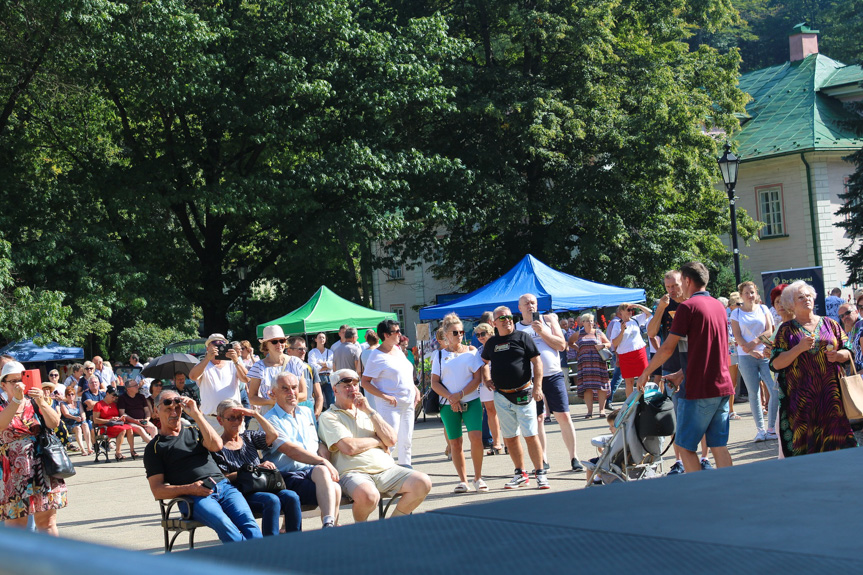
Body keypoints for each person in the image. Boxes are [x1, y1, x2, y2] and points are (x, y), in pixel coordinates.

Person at [637, 262, 735, 473]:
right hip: (722, 384)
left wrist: (646, 372)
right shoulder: (719, 305)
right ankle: (731, 492)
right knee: (718, 445)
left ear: (688, 281)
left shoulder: (687, 307)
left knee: (684, 446)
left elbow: (666, 349)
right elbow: (711, 348)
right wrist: (683, 372)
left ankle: (700, 494)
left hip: (700, 388)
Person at [144, 389, 263, 543]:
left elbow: (217, 445)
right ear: (156, 411)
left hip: (224, 487)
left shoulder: (194, 430)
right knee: (224, 523)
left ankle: (257, 560)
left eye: (178, 408)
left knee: (249, 523)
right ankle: (250, 560)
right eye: (168, 409)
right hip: (193, 497)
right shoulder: (155, 447)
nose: (174, 413)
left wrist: (196, 414)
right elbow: (157, 491)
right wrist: (190, 488)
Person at [318, 369, 432, 522]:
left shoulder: (368, 412)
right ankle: (362, 529)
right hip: (354, 472)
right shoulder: (329, 416)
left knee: (423, 482)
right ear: (334, 390)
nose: (352, 388)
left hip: (386, 469)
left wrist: (369, 410)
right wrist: (378, 441)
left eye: (355, 384)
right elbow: (349, 447)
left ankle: (391, 526)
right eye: (346, 385)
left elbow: (391, 440)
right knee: (369, 496)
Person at [770, 281, 857, 456]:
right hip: (802, 402)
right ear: (791, 304)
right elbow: (776, 364)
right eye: (800, 297)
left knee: (838, 447)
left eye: (808, 296)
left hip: (833, 399)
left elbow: (849, 351)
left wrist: (840, 355)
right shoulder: (786, 330)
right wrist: (798, 349)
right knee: (808, 449)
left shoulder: (829, 323)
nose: (806, 299)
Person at [480, 306, 548, 489]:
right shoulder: (491, 343)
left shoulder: (523, 337)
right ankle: (520, 473)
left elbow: (537, 361)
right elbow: (484, 363)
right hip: (502, 396)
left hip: (524, 393)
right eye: (502, 318)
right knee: (510, 437)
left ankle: (540, 473)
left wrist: (538, 387)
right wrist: (486, 378)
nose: (507, 320)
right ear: (494, 323)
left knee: (531, 435)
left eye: (509, 317)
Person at [212, 398, 302, 535]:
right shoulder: (218, 446)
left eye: (240, 417)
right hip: (241, 492)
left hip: (263, 485)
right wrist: (253, 470)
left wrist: (255, 414)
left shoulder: (248, 437)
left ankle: (295, 541)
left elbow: (273, 435)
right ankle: (270, 546)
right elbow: (223, 477)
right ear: (220, 420)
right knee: (271, 500)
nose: (236, 422)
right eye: (231, 418)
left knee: (292, 496)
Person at [262, 373, 341, 528]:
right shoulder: (270, 420)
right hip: (286, 478)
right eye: (285, 389)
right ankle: (330, 528)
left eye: (294, 387)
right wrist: (322, 461)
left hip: (311, 474)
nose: (291, 392)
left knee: (332, 481)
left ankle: (328, 526)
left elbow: (317, 442)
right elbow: (292, 451)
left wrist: (324, 453)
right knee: (330, 480)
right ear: (273, 393)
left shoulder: (306, 412)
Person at [514, 294, 582, 472]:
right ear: (519, 308)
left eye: (533, 303)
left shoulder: (548, 320)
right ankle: (542, 459)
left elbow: (561, 345)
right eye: (527, 303)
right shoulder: (516, 329)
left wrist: (542, 331)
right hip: (530, 379)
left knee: (564, 416)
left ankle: (574, 457)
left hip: (553, 374)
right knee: (538, 419)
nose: (531, 306)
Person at [0, 361, 67, 535]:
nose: (19, 384)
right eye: (13, 381)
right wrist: (16, 400)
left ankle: (52, 562)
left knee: (47, 523)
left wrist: (42, 402)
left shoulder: (36, 402)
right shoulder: (2, 405)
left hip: (41, 470)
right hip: (12, 475)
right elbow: (1, 424)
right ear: (3, 384)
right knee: (16, 527)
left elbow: (54, 424)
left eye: (21, 379)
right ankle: (17, 563)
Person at [430, 314, 486, 493]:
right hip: (447, 404)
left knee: (476, 438)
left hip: (471, 400)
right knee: (455, 443)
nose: (459, 335)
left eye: (462, 331)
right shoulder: (439, 355)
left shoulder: (472, 352)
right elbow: (435, 382)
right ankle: (463, 481)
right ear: (446, 334)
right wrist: (451, 397)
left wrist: (460, 394)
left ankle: (478, 478)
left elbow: (478, 378)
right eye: (455, 332)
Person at [361, 320, 419, 466]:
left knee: (406, 441)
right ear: (386, 335)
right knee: (389, 442)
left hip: (407, 403)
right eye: (396, 331)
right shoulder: (376, 356)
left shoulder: (398, 350)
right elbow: (365, 382)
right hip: (390, 406)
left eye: (399, 330)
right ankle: (386, 471)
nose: (400, 334)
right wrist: (384, 396)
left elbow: (405, 373)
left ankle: (406, 471)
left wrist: (415, 388)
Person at [730, 281, 777, 442]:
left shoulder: (763, 309)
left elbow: (770, 329)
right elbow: (737, 335)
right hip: (745, 356)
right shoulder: (736, 313)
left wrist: (755, 343)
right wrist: (749, 349)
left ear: (756, 293)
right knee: (754, 393)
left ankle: (772, 427)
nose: (750, 295)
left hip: (765, 354)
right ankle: (760, 429)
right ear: (741, 295)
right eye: (746, 293)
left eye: (752, 292)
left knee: (774, 389)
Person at [188, 333, 251, 423]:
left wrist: (236, 360)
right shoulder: (203, 365)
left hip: (234, 417)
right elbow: (193, 376)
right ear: (208, 348)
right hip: (212, 419)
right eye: (215, 344)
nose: (219, 347)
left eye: (222, 344)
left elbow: (246, 379)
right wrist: (207, 358)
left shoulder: (232, 363)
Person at [244, 327, 305, 416]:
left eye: (282, 340)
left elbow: (304, 394)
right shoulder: (259, 366)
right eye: (274, 342)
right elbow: (252, 398)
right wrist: (270, 401)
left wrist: (283, 400)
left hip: (293, 413)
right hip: (270, 413)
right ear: (265, 345)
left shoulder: (296, 362)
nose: (279, 344)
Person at [608, 302, 653, 398]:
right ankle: (631, 404)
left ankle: (643, 398)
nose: (630, 312)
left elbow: (650, 313)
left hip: (639, 352)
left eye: (631, 310)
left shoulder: (635, 319)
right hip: (625, 354)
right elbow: (615, 343)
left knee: (645, 377)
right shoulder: (617, 325)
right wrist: (622, 331)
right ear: (621, 311)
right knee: (629, 381)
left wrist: (638, 306)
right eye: (628, 310)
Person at [574, 313, 612, 418]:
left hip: (598, 362)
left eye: (591, 320)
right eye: (587, 321)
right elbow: (570, 342)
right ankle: (589, 411)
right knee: (587, 388)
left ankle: (602, 410)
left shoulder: (598, 332)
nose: (590, 323)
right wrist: (579, 350)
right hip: (585, 364)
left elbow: (609, 343)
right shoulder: (579, 333)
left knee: (601, 386)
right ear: (583, 322)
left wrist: (603, 345)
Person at [474, 322, 503, 455]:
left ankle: (508, 443)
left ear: (490, 333)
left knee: (504, 412)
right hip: (486, 385)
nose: (480, 337)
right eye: (478, 334)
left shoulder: (498, 345)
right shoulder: (479, 350)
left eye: (483, 334)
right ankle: (496, 443)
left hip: (501, 381)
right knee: (491, 412)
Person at [92, 386, 138, 460]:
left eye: (115, 397)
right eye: (113, 397)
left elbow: (116, 416)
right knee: (122, 430)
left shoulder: (114, 404)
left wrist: (120, 418)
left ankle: (132, 450)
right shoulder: (99, 405)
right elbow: (96, 420)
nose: (114, 399)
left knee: (129, 428)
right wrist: (109, 420)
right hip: (105, 427)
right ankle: (118, 453)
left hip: (115, 424)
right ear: (107, 394)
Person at [286, 336, 323, 417]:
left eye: (305, 349)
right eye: (300, 349)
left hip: (309, 413)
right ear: (289, 351)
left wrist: (316, 414)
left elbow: (319, 395)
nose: (303, 352)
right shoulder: (283, 370)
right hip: (289, 413)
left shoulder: (310, 368)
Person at [60, 386, 92, 455]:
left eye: (72, 394)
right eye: (68, 394)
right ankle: (82, 449)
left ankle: (89, 447)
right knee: (78, 429)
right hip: (70, 423)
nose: (70, 396)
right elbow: (66, 414)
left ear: (74, 395)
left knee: (85, 425)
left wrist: (83, 417)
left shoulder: (78, 403)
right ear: (66, 395)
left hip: (79, 421)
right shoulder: (63, 404)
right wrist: (75, 418)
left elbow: (82, 412)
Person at [308, 332, 335, 408]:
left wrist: (320, 364)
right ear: (316, 339)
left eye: (323, 337)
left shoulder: (330, 352)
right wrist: (327, 365)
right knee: (318, 400)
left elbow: (333, 364)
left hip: (329, 377)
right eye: (320, 337)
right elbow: (313, 366)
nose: (322, 339)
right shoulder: (312, 352)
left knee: (331, 400)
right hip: (318, 378)